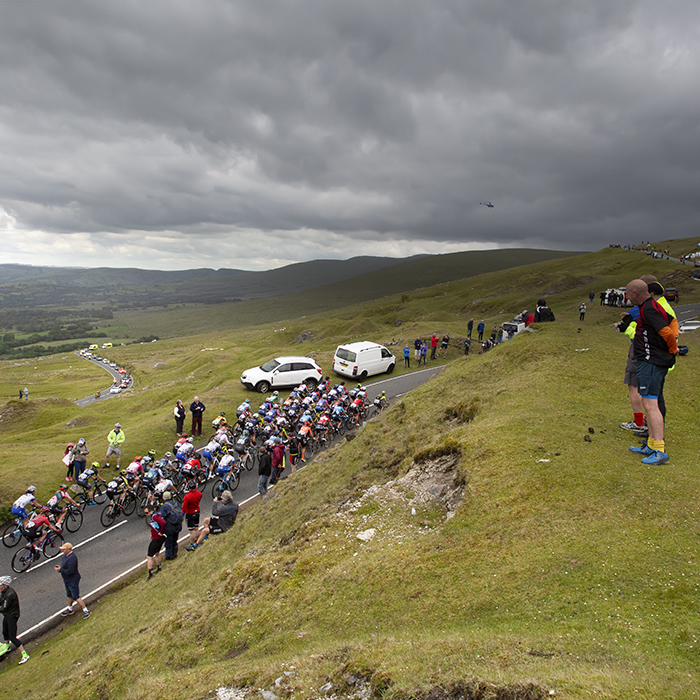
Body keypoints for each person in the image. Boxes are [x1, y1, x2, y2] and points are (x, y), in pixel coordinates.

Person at [625, 278, 678, 465]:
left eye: (627, 294)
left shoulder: (648, 309)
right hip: (650, 360)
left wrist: (672, 350)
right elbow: (672, 321)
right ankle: (652, 443)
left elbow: (667, 331)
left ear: (635, 293)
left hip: (652, 362)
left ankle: (660, 450)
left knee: (651, 405)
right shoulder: (652, 306)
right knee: (650, 402)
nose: (626, 297)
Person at [54, 543, 90, 619]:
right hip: (67, 579)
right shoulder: (66, 557)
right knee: (69, 594)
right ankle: (70, 609)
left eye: (64, 549)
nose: (62, 551)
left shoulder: (72, 559)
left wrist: (60, 570)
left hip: (72, 579)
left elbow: (70, 571)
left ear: (68, 549)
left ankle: (86, 610)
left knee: (76, 596)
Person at [0, 576, 29, 665]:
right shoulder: (4, 592)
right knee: (5, 631)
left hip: (12, 616)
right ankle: (7, 647)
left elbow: (4, 607)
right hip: (7, 615)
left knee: (12, 637)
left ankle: (24, 654)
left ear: (5, 585)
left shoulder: (10, 594)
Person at [144, 506, 166, 579]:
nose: (145, 514)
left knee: (149, 556)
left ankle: (150, 572)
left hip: (157, 538)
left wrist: (161, 532)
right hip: (160, 537)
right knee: (157, 552)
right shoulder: (156, 515)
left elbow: (163, 523)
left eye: (146, 513)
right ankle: (159, 567)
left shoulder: (154, 516)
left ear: (151, 511)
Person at [182, 481, 202, 548]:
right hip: (197, 511)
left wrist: (182, 515)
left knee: (191, 531)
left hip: (190, 513)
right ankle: (199, 540)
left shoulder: (187, 497)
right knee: (196, 528)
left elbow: (184, 507)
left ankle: (192, 543)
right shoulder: (199, 494)